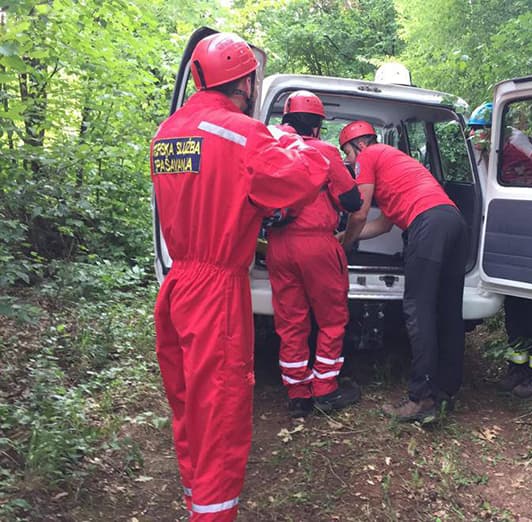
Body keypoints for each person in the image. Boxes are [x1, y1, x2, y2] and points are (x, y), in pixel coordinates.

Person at [151, 33, 329, 520]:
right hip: (216, 290)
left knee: (189, 405)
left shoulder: (167, 132)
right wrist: (299, 143)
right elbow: (300, 180)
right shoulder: (243, 134)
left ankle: (196, 500)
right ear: (246, 82)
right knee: (221, 415)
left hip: (177, 284)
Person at [339, 121, 468, 423]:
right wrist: (346, 237)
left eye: (347, 153)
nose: (348, 160)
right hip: (453, 221)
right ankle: (446, 389)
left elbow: (359, 213)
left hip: (428, 224)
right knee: (448, 310)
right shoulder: (396, 162)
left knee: (418, 309)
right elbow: (383, 225)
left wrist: (344, 245)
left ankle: (421, 398)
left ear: (360, 145)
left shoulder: (369, 155)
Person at [266, 90, 363, 418]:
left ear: (286, 120)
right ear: (318, 126)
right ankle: (325, 388)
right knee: (331, 318)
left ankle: (297, 394)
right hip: (317, 245)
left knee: (290, 320)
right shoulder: (323, 152)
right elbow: (352, 201)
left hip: (279, 245)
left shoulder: (274, 149)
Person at [468, 101, 532, 397]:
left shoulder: (519, 143)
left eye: (480, 131)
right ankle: (517, 367)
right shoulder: (488, 152)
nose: (475, 137)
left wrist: (525, 151)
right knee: (515, 306)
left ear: (495, 129)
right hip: (512, 234)